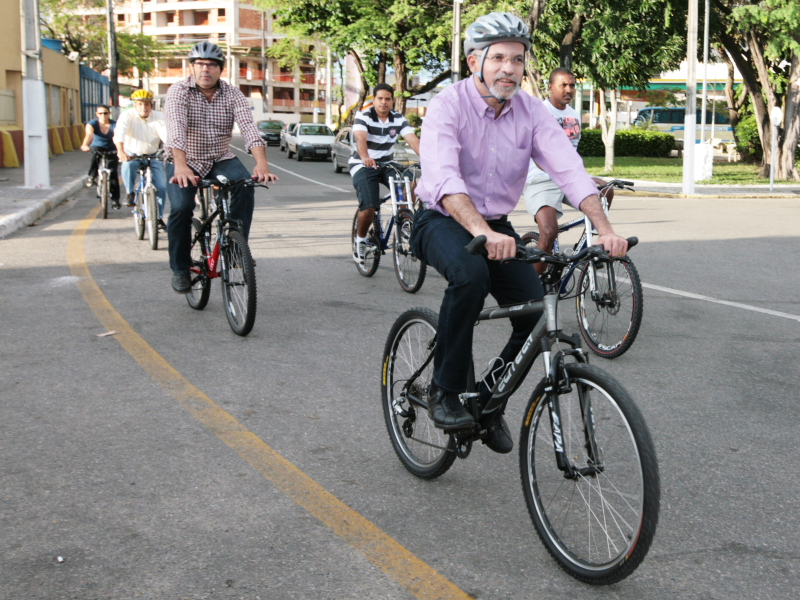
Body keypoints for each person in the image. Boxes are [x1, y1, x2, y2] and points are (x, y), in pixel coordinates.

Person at [410, 12, 629, 454]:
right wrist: (481, 232)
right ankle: (445, 390)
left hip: (498, 226)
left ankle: (488, 401)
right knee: (471, 276)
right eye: (498, 59)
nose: (509, 68)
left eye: (517, 59)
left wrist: (603, 230)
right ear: (475, 62)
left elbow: (568, 169)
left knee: (532, 319)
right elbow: (445, 180)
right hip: (441, 218)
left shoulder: (530, 112)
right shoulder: (446, 106)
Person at [164, 41, 278, 294]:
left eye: (212, 65)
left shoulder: (233, 94)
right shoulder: (178, 91)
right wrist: (181, 167)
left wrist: (261, 163)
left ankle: (237, 248)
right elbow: (175, 129)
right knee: (182, 208)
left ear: (220, 69)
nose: (206, 69)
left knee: (245, 186)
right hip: (185, 159)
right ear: (192, 67)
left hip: (220, 157)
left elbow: (249, 128)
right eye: (200, 64)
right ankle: (180, 269)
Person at [523, 68, 613, 274]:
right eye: (563, 85)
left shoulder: (574, 114)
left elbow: (572, 151)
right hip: (540, 179)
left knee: (606, 189)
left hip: (568, 178)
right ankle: (531, 290)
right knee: (548, 232)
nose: (569, 89)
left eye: (572, 85)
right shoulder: (539, 112)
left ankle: (587, 244)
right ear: (550, 88)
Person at [350, 83, 420, 264]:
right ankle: (361, 240)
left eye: (387, 99)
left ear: (392, 101)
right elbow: (360, 138)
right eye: (380, 98)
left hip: (387, 163)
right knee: (370, 207)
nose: (384, 102)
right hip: (363, 164)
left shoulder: (397, 118)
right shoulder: (363, 115)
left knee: (411, 180)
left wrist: (430, 159)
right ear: (374, 100)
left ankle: (404, 220)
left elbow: (412, 139)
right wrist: (365, 157)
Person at [113, 89, 169, 230]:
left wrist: (171, 151)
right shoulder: (127, 116)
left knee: (161, 187)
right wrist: (121, 151)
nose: (144, 107)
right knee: (128, 165)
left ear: (151, 105)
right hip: (133, 153)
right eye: (140, 104)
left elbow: (166, 136)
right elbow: (119, 134)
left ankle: (158, 218)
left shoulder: (159, 117)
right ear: (135, 105)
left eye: (147, 104)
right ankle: (130, 193)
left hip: (153, 154)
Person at [81, 105, 121, 208]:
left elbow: (118, 135)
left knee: (113, 172)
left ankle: (115, 200)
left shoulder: (115, 124)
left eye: (105, 113)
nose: (103, 115)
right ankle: (92, 176)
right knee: (95, 152)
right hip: (98, 147)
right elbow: (89, 135)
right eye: (100, 113)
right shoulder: (92, 124)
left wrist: (121, 150)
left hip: (112, 148)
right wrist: (85, 145)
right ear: (96, 114)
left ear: (109, 114)